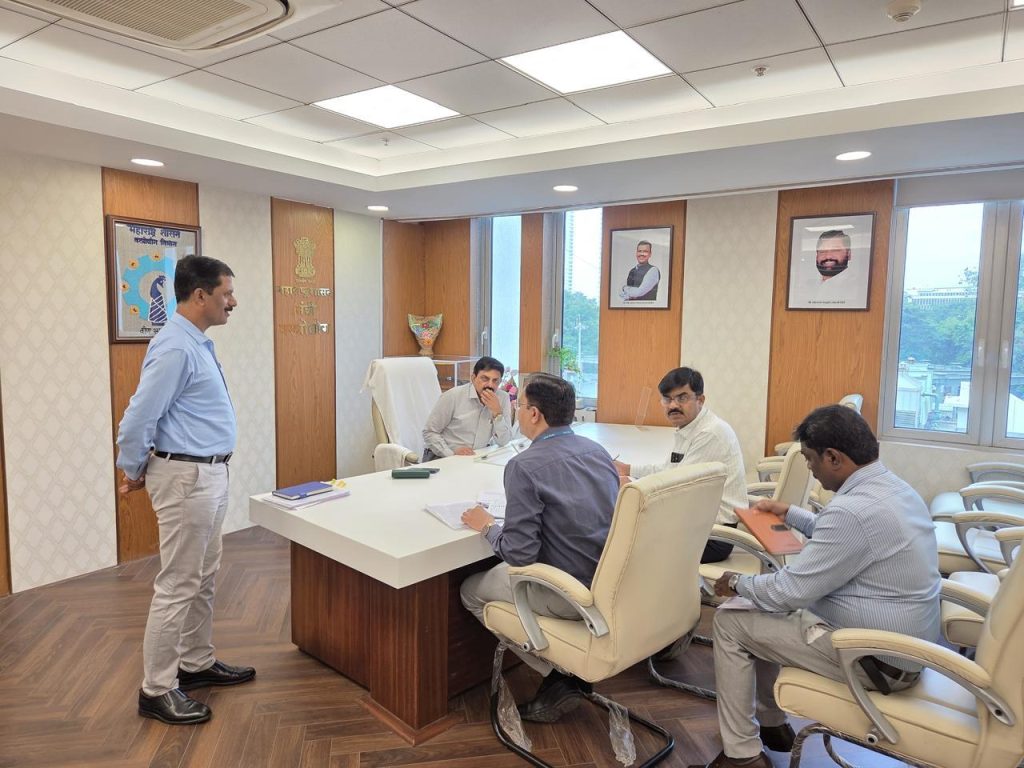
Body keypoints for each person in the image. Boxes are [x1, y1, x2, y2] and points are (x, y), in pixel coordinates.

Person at [693, 405, 940, 768]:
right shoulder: (892, 488)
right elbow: (844, 534)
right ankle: (772, 724)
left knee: (731, 621)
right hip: (903, 652)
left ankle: (742, 757)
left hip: (872, 660)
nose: (809, 467)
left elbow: (787, 593)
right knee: (755, 609)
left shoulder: (851, 512)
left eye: (810, 459)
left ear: (834, 457)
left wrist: (737, 582)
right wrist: (790, 513)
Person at [116, 255, 255, 726]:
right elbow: (138, 418)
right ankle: (156, 689)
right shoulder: (175, 346)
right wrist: (133, 467)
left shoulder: (196, 341)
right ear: (200, 295)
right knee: (177, 584)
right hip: (186, 479)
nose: (232, 302)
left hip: (209, 474)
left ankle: (195, 662)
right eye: (226, 293)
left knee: (203, 575)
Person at [460, 374, 618, 723]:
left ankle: (559, 674)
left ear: (533, 414)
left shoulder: (524, 466)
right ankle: (562, 670)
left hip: (565, 592)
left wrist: (487, 526)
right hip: (608, 583)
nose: (515, 411)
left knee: (470, 590)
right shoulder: (598, 451)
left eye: (519, 405)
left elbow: (520, 555)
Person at [613, 367, 747, 564]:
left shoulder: (709, 434)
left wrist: (631, 485)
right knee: (620, 525)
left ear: (700, 400)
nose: (673, 405)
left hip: (711, 537)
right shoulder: (691, 427)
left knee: (620, 538)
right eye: (667, 399)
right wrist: (628, 469)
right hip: (696, 523)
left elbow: (677, 489)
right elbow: (670, 471)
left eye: (682, 398)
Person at [422, 356, 513, 460]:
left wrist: (497, 413)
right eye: (485, 379)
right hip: (442, 456)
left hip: (475, 457)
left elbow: (504, 441)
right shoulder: (453, 396)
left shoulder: (502, 398)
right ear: (473, 378)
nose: (490, 385)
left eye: (495, 381)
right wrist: (451, 453)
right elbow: (429, 432)